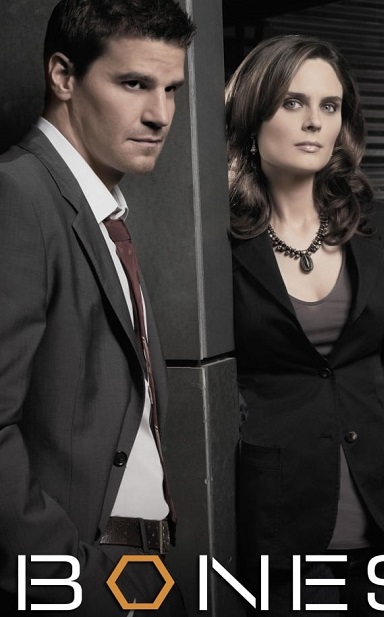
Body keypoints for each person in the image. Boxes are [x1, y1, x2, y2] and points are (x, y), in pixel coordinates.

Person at [226, 34, 384, 615]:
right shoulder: (216, 243)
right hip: (277, 530)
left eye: (329, 106)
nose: (314, 122)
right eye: (292, 102)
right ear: (253, 114)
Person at [0, 1, 195, 615]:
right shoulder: (18, 195)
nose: (160, 114)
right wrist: (72, 582)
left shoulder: (100, 209)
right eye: (134, 83)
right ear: (63, 75)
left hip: (141, 569)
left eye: (171, 88)